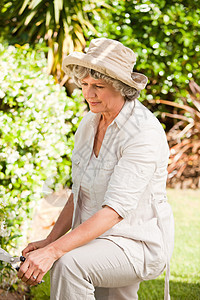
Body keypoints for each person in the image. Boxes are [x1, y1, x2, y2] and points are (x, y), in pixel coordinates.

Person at [18, 38, 174, 300]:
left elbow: (114, 212)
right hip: (95, 239)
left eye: (98, 87)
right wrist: (50, 241)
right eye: (85, 85)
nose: (88, 94)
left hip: (134, 244)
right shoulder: (89, 123)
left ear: (122, 88)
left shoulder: (143, 134)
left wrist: (54, 252)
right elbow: (80, 192)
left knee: (70, 266)